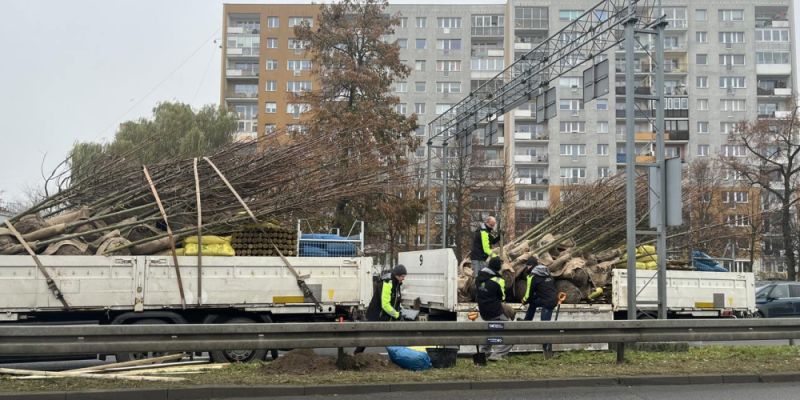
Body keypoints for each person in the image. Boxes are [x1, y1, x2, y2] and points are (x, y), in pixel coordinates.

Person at [354, 264, 407, 354]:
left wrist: (400, 310)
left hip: (385, 316)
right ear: (396, 275)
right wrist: (397, 315)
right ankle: (356, 356)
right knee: (368, 338)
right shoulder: (387, 283)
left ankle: (396, 357)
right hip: (377, 316)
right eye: (402, 276)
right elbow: (385, 304)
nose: (403, 278)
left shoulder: (397, 284)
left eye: (404, 276)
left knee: (391, 338)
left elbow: (395, 301)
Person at [475, 257, 513, 361]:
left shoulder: (479, 277)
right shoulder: (499, 280)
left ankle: (483, 353)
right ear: (498, 267)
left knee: (491, 331)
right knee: (512, 333)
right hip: (495, 312)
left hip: (483, 311)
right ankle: (497, 355)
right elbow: (503, 297)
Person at [521, 257, 558, 357]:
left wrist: (524, 300)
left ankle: (547, 349)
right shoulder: (546, 272)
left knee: (544, 326)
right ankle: (527, 321)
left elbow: (528, 293)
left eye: (528, 265)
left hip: (548, 303)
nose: (527, 267)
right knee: (533, 303)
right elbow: (546, 287)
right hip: (553, 298)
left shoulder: (532, 276)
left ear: (531, 266)